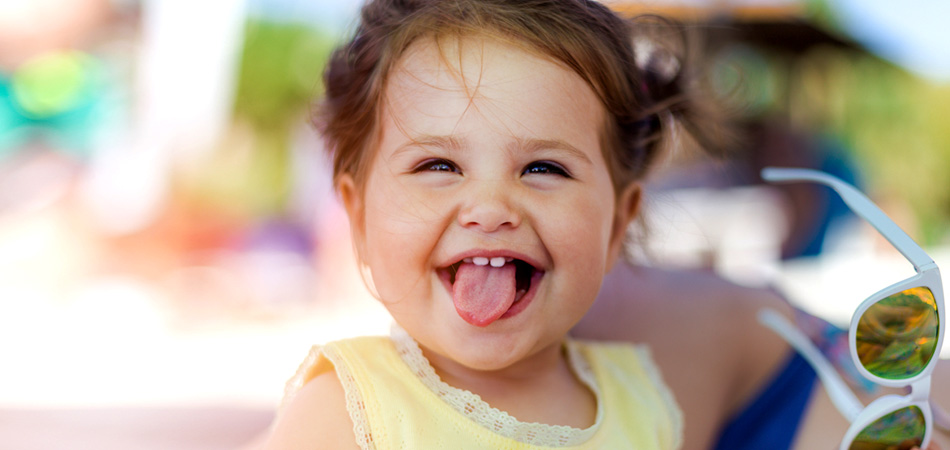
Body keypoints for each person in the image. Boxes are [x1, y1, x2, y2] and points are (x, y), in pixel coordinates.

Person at [261, 0, 727, 448]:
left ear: (617, 224)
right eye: (439, 166)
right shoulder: (347, 412)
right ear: (359, 218)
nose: (489, 208)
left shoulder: (642, 404)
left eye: (543, 168)